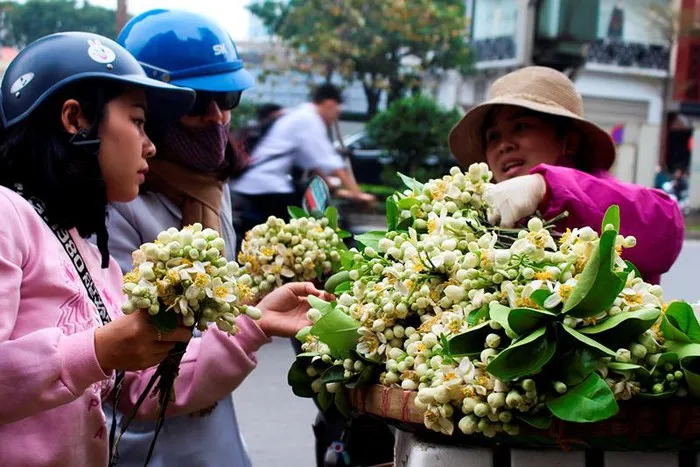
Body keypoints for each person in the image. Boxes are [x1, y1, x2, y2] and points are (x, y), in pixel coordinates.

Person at [105, 10, 331, 467]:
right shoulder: (115, 207)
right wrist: (255, 325)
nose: (216, 116)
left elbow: (218, 307)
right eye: (196, 102)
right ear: (150, 110)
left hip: (212, 429)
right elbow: (139, 364)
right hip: (140, 435)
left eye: (227, 97)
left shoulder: (211, 188)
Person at [0, 31, 191, 466]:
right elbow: (97, 353)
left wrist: (256, 327)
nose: (150, 145)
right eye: (138, 121)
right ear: (76, 119)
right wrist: (98, 351)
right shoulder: (6, 214)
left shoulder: (83, 247)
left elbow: (139, 390)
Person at [448, 66, 684, 284]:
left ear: (569, 141)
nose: (504, 145)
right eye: (493, 137)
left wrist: (545, 186)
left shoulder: (601, 191)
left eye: (520, 127)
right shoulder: (480, 221)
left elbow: (665, 228)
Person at [230, 83, 375, 240]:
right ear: (329, 104)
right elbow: (333, 164)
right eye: (337, 111)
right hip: (268, 187)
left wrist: (331, 186)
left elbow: (313, 162)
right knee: (301, 235)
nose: (335, 117)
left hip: (258, 185)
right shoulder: (309, 119)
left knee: (283, 239)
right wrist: (357, 194)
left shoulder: (299, 115)